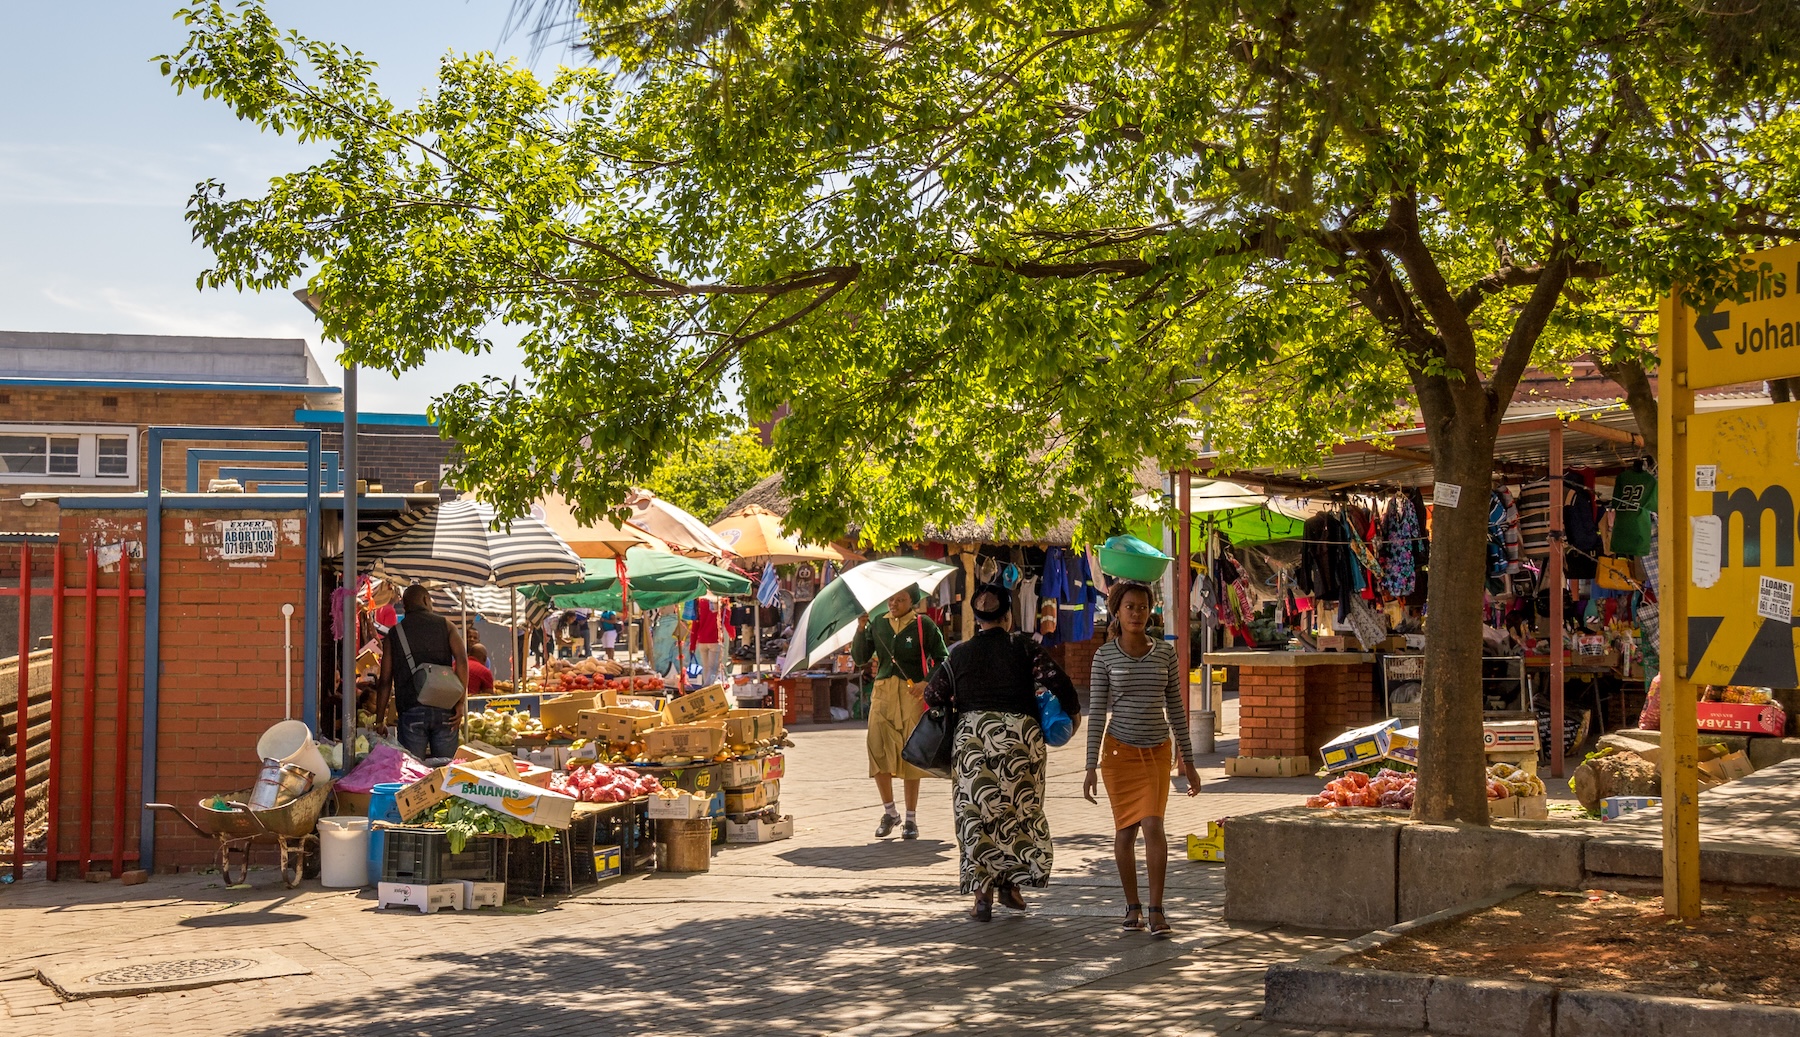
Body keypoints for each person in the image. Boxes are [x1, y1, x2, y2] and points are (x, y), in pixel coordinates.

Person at [924, 582, 1081, 922]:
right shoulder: (1024, 648)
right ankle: (1012, 886)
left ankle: (982, 897)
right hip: (1020, 740)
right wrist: (1075, 715)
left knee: (975, 815)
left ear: (978, 618)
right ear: (1008, 616)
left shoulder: (960, 653)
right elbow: (1058, 681)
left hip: (973, 742)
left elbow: (932, 693)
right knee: (1017, 812)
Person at [1082, 580, 1202, 938]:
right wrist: (1090, 765)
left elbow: (1176, 708)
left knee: (1153, 825)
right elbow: (1097, 712)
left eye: (1143, 607)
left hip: (1156, 751)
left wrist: (1190, 761)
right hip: (1119, 753)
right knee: (1125, 830)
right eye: (1129, 607)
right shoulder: (1104, 656)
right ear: (1116, 612)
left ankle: (1156, 910)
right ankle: (1132, 905)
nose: (1136, 613)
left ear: (1152, 611)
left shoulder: (1165, 653)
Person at [851, 587, 948, 840]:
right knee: (878, 748)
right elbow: (860, 657)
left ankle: (911, 819)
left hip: (911, 696)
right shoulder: (877, 624)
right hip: (882, 694)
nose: (893, 603)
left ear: (912, 602)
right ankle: (889, 812)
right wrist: (861, 629)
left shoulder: (922, 624)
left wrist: (926, 682)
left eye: (900, 599)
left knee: (910, 754)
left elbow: (942, 657)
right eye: (891, 598)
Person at [376, 583, 468, 761]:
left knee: (413, 773)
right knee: (446, 772)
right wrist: (460, 702)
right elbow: (462, 661)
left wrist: (380, 719)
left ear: (405, 606)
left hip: (411, 710)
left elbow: (385, 679)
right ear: (426, 600)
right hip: (445, 709)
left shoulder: (395, 634)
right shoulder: (446, 626)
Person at [689, 596, 735, 686]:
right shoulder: (722, 602)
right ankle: (708, 689)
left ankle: (706, 688)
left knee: (706, 669)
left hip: (702, 641)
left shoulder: (699, 602)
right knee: (713, 670)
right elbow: (727, 621)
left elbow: (695, 625)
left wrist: (692, 645)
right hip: (715, 640)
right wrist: (732, 634)